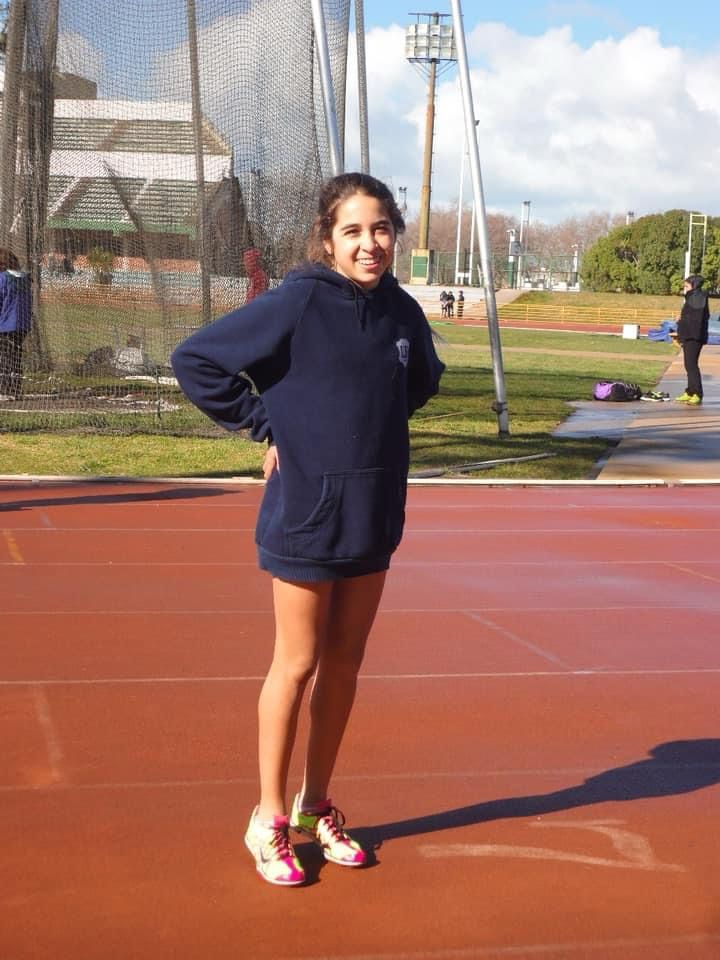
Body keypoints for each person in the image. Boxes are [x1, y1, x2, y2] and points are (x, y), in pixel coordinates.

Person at [171, 172, 444, 887]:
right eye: (352, 231)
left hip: (373, 515)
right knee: (296, 665)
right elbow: (195, 360)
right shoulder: (297, 300)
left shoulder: (402, 312)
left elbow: (420, 380)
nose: (369, 243)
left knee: (345, 666)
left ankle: (313, 804)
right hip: (306, 517)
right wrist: (270, 424)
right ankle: (266, 817)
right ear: (327, 239)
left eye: (380, 229)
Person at [0, 249, 32, 400]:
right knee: (15, 356)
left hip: (6, 324)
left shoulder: (3, 279)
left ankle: (6, 390)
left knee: (5, 357)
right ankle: (15, 389)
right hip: (23, 324)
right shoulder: (25, 279)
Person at [675, 274, 709, 405]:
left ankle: (697, 393)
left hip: (694, 336)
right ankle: (690, 391)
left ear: (694, 286)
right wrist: (681, 321)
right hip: (688, 335)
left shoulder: (698, 297)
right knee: (688, 365)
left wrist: (682, 320)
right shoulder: (692, 297)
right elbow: (689, 317)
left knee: (691, 365)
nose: (685, 289)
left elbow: (696, 320)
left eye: (687, 286)